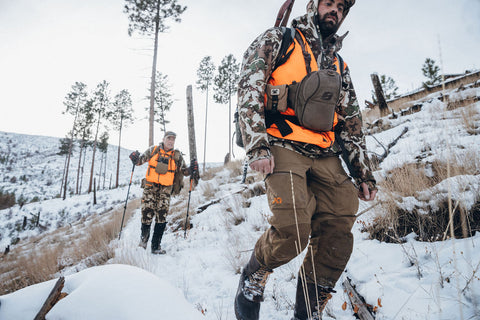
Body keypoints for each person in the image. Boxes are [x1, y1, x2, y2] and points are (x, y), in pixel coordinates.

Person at [234, 0, 377, 319]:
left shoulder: (339, 65)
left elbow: (351, 121)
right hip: (282, 141)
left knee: (340, 222)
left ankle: (308, 310)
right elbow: (249, 88)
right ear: (314, 5)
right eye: (329, 3)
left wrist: (363, 174)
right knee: (294, 226)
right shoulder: (278, 40)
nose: (335, 12)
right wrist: (257, 145)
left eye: (341, 8)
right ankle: (254, 274)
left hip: (325, 151)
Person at [129, 131, 198, 254]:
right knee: (146, 214)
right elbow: (139, 162)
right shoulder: (153, 150)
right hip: (150, 188)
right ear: (164, 139)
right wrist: (134, 158)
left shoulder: (177, 156)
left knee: (161, 217)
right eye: (169, 138)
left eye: (173, 139)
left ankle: (156, 247)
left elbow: (185, 172)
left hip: (166, 190)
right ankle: (143, 243)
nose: (171, 141)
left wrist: (191, 169)